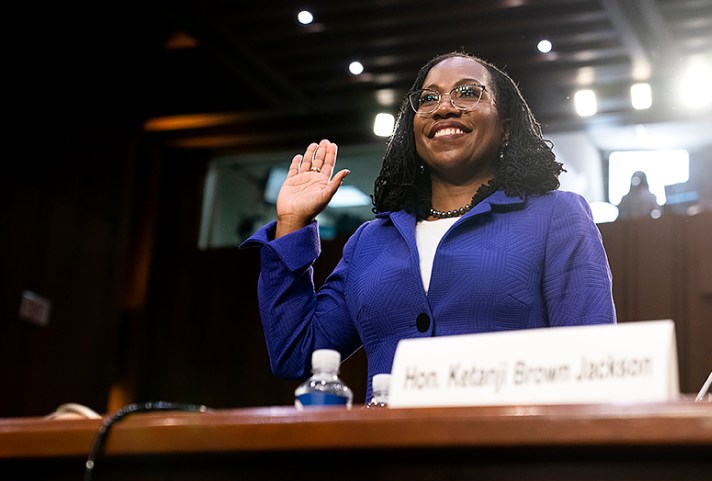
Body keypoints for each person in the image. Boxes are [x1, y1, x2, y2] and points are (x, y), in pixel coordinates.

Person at [240, 51, 617, 403]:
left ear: (505, 130)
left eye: (468, 93)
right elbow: (296, 355)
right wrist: (292, 224)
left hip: (511, 460)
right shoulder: (369, 242)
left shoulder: (556, 216)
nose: (445, 108)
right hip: (392, 462)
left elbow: (592, 359)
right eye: (428, 99)